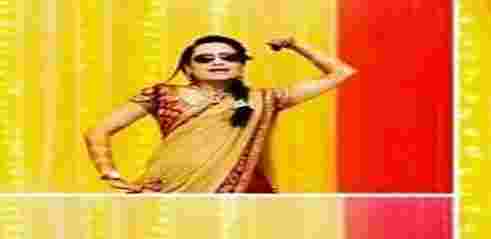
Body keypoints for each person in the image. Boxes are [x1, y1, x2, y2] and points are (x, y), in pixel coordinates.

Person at [83, 35, 355, 193]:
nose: (217, 62)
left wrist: (295, 44)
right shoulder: (161, 94)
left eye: (228, 57)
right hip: (166, 191)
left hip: (239, 194)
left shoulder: (264, 99)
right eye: (205, 58)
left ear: (241, 67)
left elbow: (341, 73)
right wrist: (111, 174)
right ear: (188, 68)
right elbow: (98, 131)